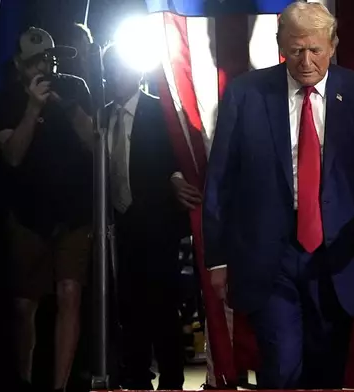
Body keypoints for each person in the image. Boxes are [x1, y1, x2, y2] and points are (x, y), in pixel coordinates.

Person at [203, 2, 354, 389]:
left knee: (326, 372)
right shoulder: (246, 95)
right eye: (296, 50)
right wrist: (217, 258)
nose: (306, 61)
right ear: (281, 46)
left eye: (315, 49)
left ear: (333, 45)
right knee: (281, 367)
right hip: (270, 257)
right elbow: (221, 179)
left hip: (338, 258)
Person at [0, 27, 94, 392]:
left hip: (74, 213)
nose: (42, 66)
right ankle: (24, 379)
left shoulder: (75, 88)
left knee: (70, 293)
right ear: (18, 64)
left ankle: (60, 385)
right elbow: (13, 156)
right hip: (28, 216)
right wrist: (33, 108)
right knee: (23, 307)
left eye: (47, 58)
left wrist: (66, 104)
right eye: (33, 60)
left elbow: (93, 143)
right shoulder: (5, 100)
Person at [102, 44, 201, 390]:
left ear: (137, 71)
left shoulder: (161, 112)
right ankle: (137, 376)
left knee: (162, 305)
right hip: (121, 226)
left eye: (120, 67)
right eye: (109, 68)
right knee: (129, 306)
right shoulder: (103, 116)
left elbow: (180, 157)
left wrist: (175, 177)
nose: (115, 75)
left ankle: (172, 379)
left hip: (157, 225)